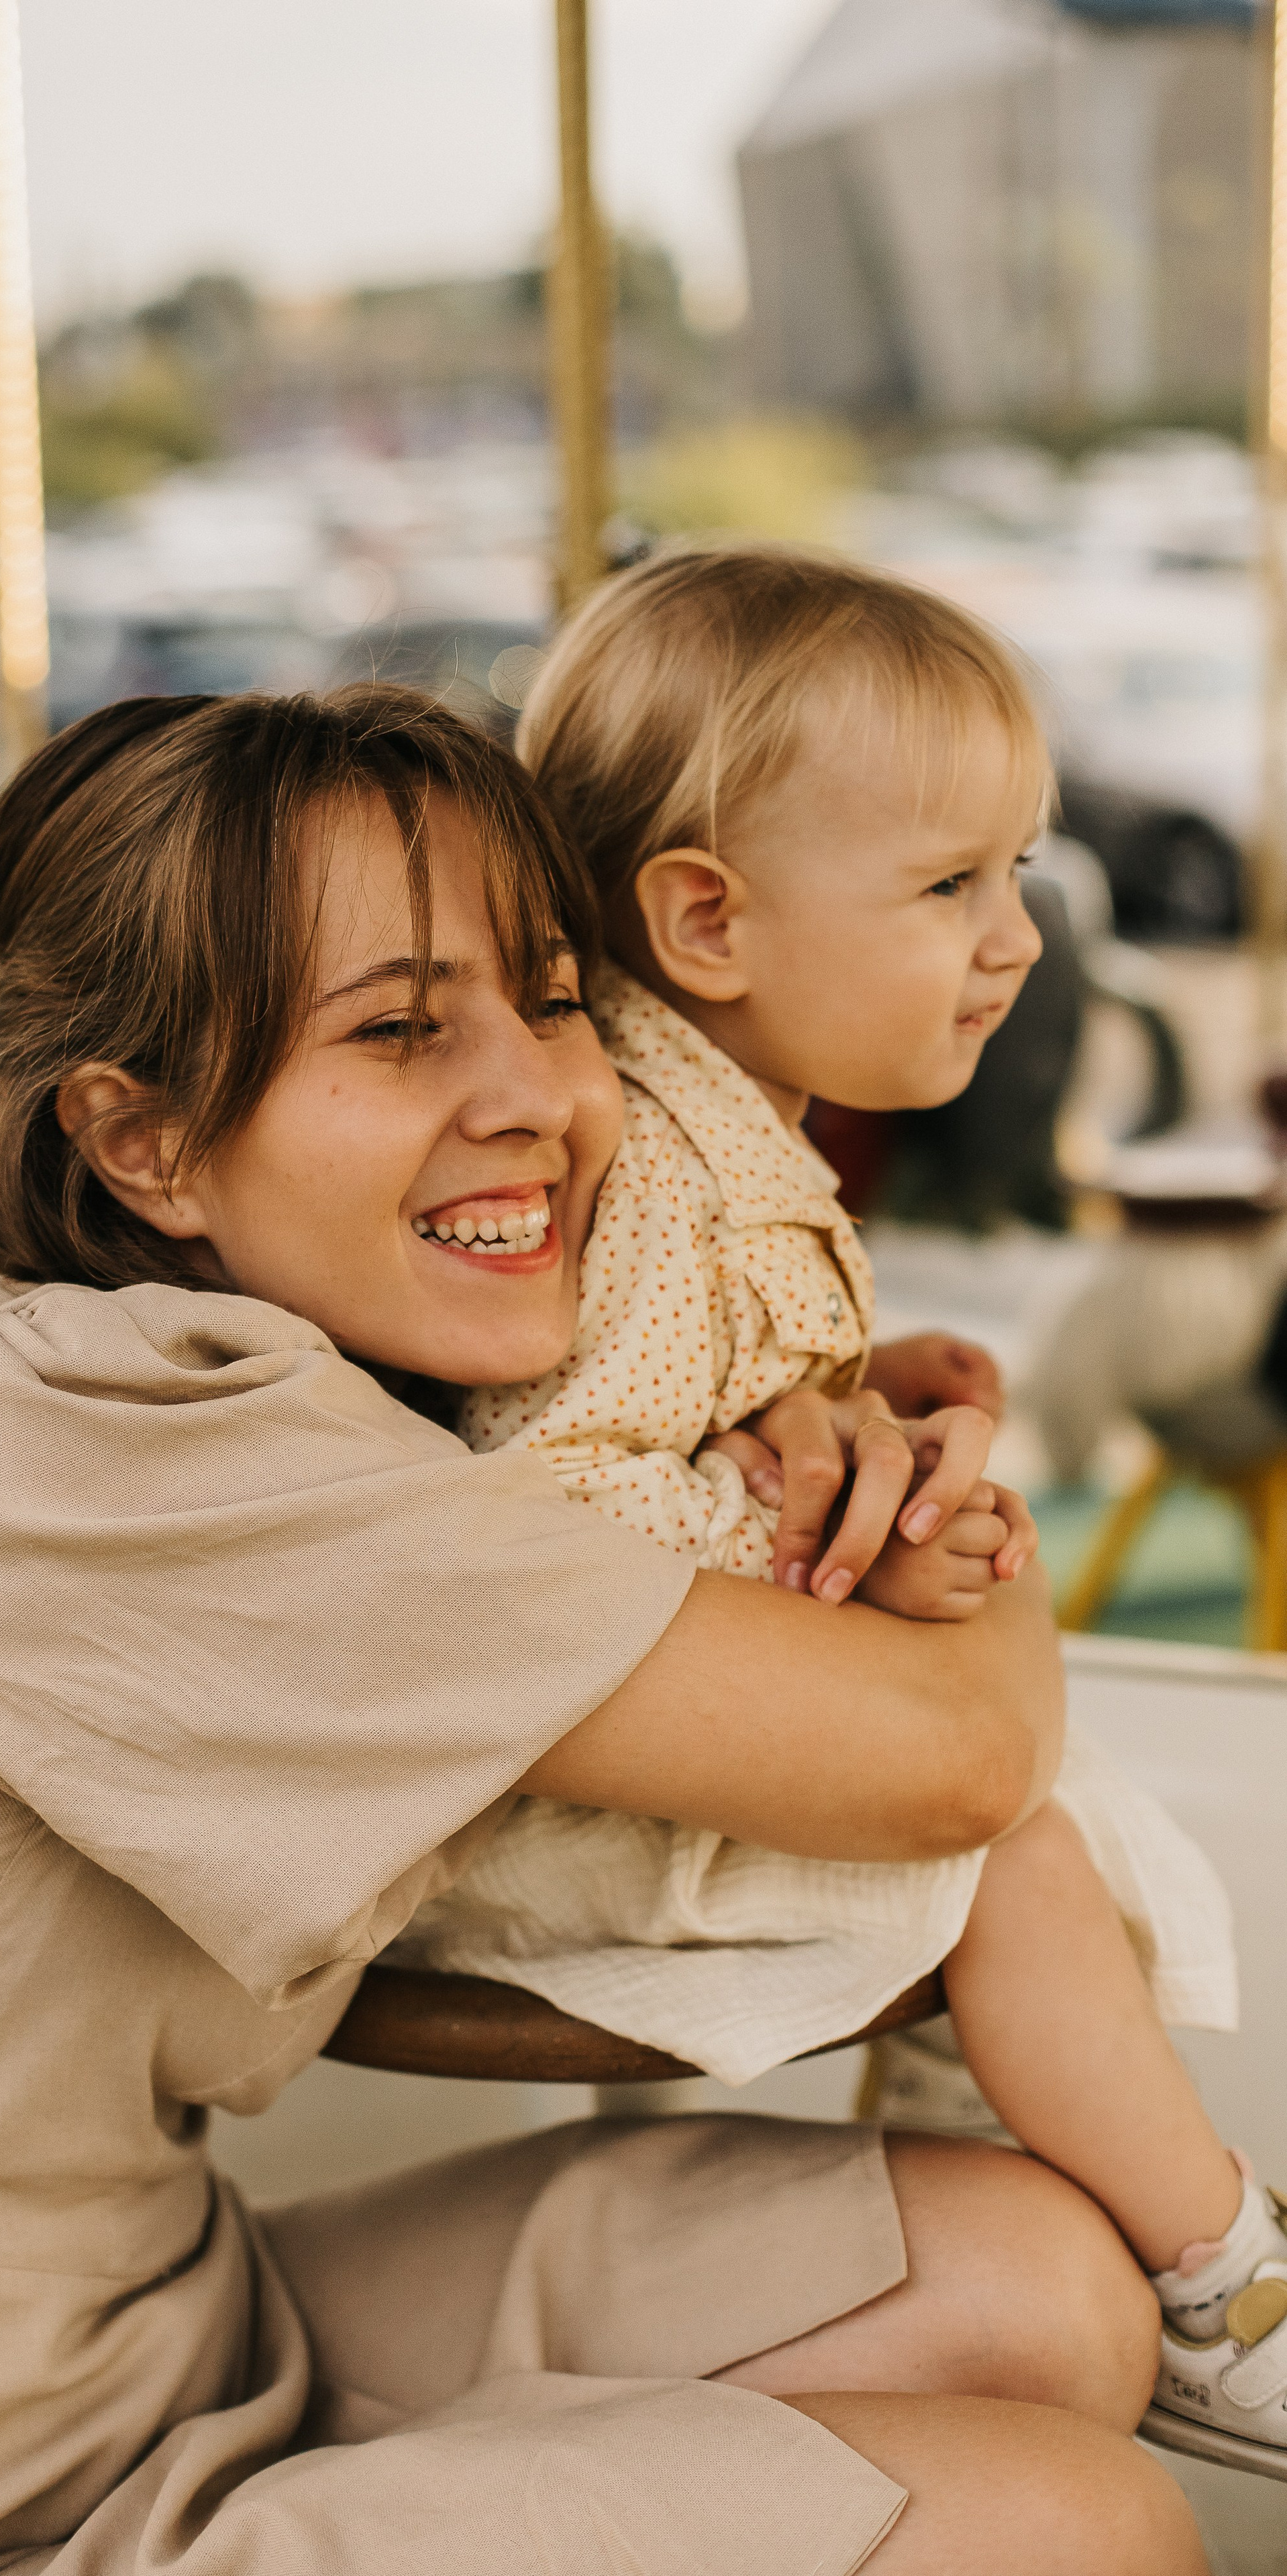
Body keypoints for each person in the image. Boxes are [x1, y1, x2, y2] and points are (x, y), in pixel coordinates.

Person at [0, 688, 1202, 2574]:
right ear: (147, 1141)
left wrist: (812, 1436)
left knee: (1050, 2295)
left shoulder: (212, 1368)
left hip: (152, 2324)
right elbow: (957, 1763)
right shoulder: (90, 1444)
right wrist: (940, 1478)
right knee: (1074, 2529)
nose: (541, 1099)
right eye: (402, 1030)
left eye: (558, 997)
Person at [402, 547, 1281, 2455]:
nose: (1022, 937)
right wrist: (830, 1546)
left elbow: (661, 1412)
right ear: (709, 922)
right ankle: (1224, 2276)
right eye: (953, 883)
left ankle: (1021, 2173)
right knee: (1021, 1857)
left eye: (1019, 871)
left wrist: (841, 1401)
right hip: (527, 1806)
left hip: (586, 1751)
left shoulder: (727, 1138)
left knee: (1052, 1830)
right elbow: (545, 1496)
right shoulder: (664, 1180)